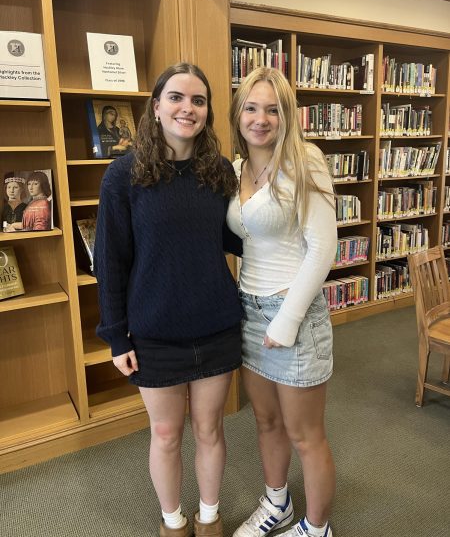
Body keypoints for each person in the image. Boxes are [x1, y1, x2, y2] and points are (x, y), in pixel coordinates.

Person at [94, 62, 243, 537]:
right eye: (176, 97)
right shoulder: (123, 176)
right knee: (165, 434)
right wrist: (117, 338)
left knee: (210, 430)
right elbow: (111, 262)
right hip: (154, 330)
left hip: (215, 325)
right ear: (155, 108)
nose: (188, 108)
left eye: (198, 101)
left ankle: (209, 517)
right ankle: (173, 523)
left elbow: (235, 238)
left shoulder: (219, 172)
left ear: (207, 113)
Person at [227, 67, 337, 537]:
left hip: (291, 315)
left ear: (287, 115)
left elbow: (324, 248)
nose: (261, 118)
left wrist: (288, 320)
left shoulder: (305, 162)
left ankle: (317, 529)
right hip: (248, 310)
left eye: (273, 109)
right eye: (251, 107)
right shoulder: (235, 169)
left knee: (305, 434)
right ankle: (278, 505)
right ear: (238, 113)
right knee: (267, 420)